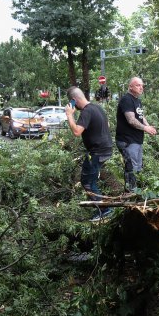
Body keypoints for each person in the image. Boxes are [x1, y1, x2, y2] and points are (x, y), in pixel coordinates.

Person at [66, 86, 114, 222]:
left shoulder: (86, 111)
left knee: (87, 182)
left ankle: (105, 210)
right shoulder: (96, 107)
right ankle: (103, 208)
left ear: (74, 100)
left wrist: (69, 114)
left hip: (97, 152)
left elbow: (76, 132)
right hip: (105, 149)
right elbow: (107, 125)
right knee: (91, 180)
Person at [116, 77, 157, 192]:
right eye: (138, 85)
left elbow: (140, 116)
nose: (141, 88)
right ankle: (130, 194)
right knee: (131, 169)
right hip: (127, 141)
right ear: (130, 87)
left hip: (136, 140)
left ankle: (135, 193)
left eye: (142, 85)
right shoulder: (126, 100)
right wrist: (145, 128)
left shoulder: (137, 100)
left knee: (137, 168)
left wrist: (149, 127)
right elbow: (131, 120)